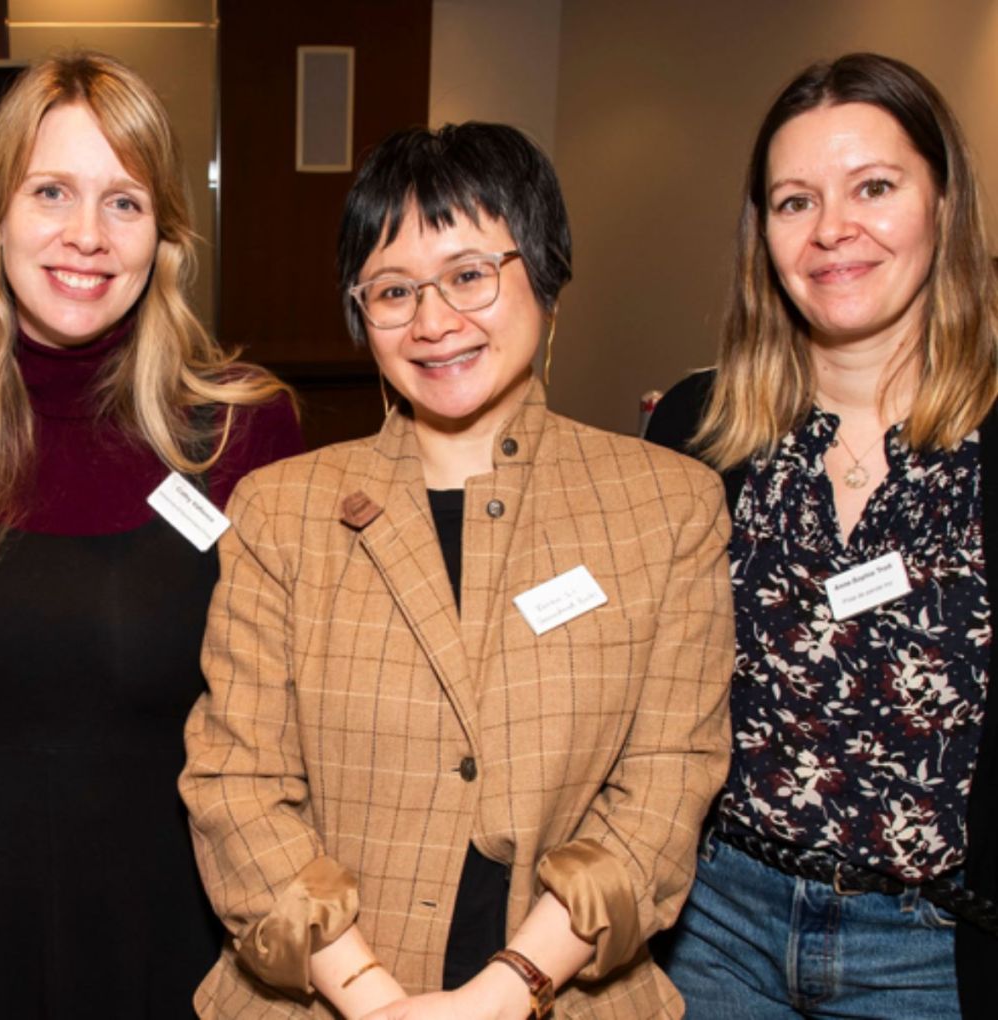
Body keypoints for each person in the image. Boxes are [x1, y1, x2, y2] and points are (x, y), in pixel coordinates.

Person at [180, 122, 734, 1019]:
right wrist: (372, 998)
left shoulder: (669, 507)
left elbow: (668, 781)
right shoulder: (281, 511)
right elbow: (236, 786)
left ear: (545, 272)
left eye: (470, 275)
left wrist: (505, 992)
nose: (434, 323)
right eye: (393, 290)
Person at [0, 51, 303, 1017]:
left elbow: (284, 709)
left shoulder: (242, 427)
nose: (85, 236)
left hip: (165, 907)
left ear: (165, 236)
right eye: (52, 191)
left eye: (125, 202)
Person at [647, 52, 998, 1019]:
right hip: (715, 924)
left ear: (944, 202)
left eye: (874, 188)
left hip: (932, 953)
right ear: (761, 232)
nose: (833, 229)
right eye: (795, 201)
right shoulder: (695, 428)